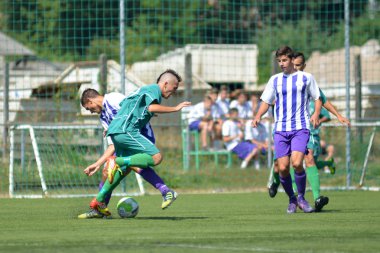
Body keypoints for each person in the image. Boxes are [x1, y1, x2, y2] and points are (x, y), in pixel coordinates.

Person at [90, 69, 191, 217]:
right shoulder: (153, 89)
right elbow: (151, 107)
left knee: (124, 168)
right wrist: (175, 108)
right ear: (165, 84)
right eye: (174, 88)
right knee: (156, 157)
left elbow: (127, 105)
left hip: (116, 131)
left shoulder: (138, 92)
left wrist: (114, 125)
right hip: (128, 131)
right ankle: (116, 161)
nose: (174, 92)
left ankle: (98, 200)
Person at [268, 52, 350, 212]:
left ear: (302, 66)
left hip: (305, 131)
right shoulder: (280, 83)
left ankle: (314, 197)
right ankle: (277, 181)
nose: (295, 68)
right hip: (283, 129)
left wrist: (338, 116)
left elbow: (323, 101)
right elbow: (268, 101)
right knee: (280, 165)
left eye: (298, 65)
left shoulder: (307, 82)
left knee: (306, 159)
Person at [77, 88, 178, 218]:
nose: (90, 112)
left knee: (129, 165)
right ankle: (100, 208)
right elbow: (113, 144)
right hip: (125, 142)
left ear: (90, 101)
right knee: (107, 171)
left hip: (140, 135)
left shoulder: (113, 99)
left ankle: (166, 191)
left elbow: (136, 107)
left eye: (88, 108)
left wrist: (150, 111)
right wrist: (97, 163)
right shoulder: (103, 117)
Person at [252, 46, 322, 214]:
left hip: (300, 127)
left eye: (284, 60)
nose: (282, 64)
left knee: (297, 163)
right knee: (282, 168)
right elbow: (266, 101)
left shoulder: (306, 78)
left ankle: (302, 198)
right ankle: (292, 199)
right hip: (281, 129)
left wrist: (316, 114)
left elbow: (318, 98)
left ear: (291, 60)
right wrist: (258, 115)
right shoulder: (274, 80)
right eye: (279, 61)